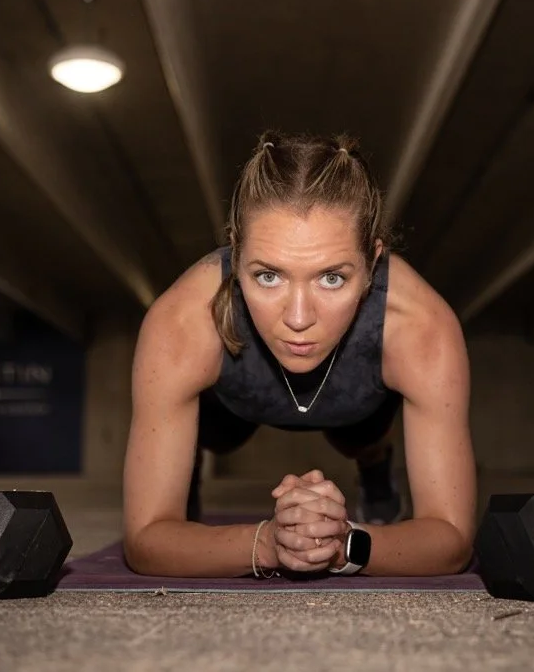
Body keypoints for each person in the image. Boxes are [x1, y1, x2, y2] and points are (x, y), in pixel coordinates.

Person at [122, 132, 476, 578]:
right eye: (268, 276)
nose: (298, 317)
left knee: (359, 435)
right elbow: (146, 541)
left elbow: (452, 539)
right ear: (236, 251)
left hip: (355, 409)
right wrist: (266, 543)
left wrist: (343, 544)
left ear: (372, 262)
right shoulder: (182, 322)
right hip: (233, 404)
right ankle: (186, 464)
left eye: (331, 278)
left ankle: (373, 465)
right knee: (214, 437)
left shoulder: (421, 327)